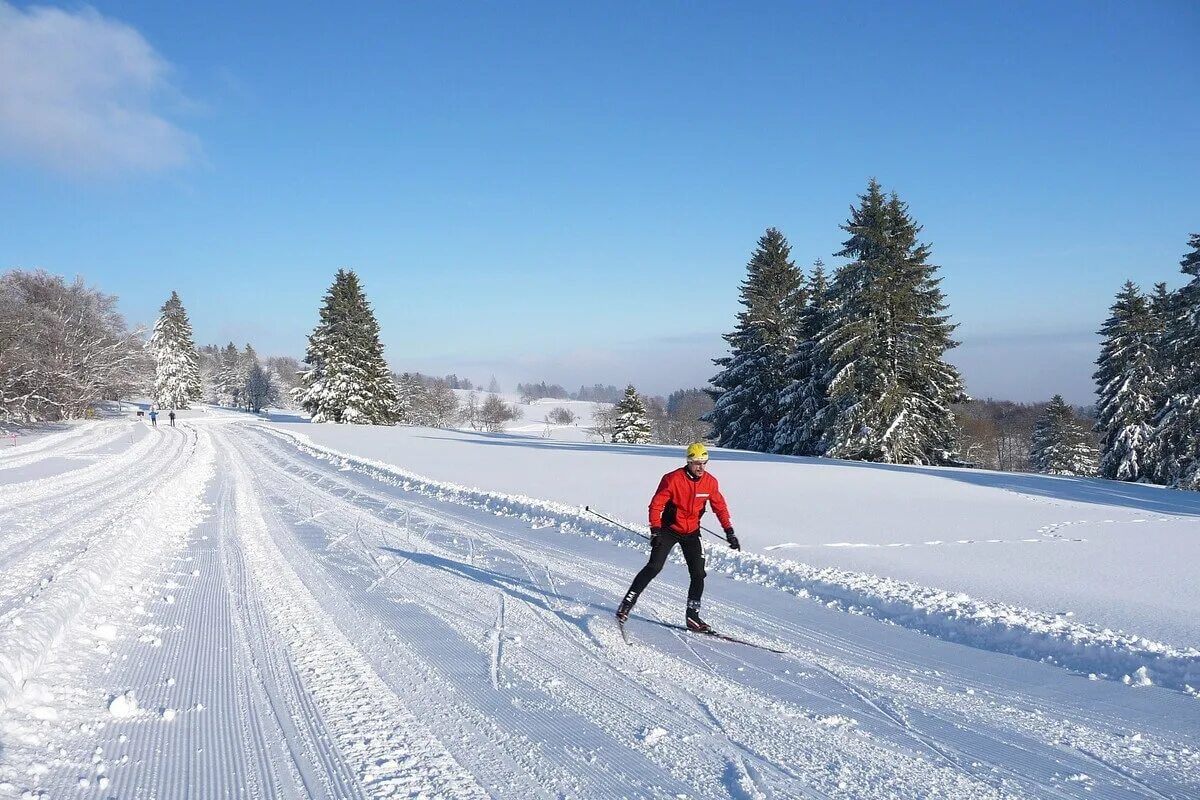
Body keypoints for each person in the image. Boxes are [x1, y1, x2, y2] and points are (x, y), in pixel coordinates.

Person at [616, 442, 740, 633]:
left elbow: (720, 507)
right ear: (688, 462)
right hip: (669, 529)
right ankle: (626, 604)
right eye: (697, 463)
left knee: (699, 574)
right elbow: (656, 505)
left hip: (692, 532)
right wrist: (655, 530)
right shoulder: (672, 479)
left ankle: (692, 617)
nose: (701, 467)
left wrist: (729, 532)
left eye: (704, 463)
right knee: (654, 567)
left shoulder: (710, 482)